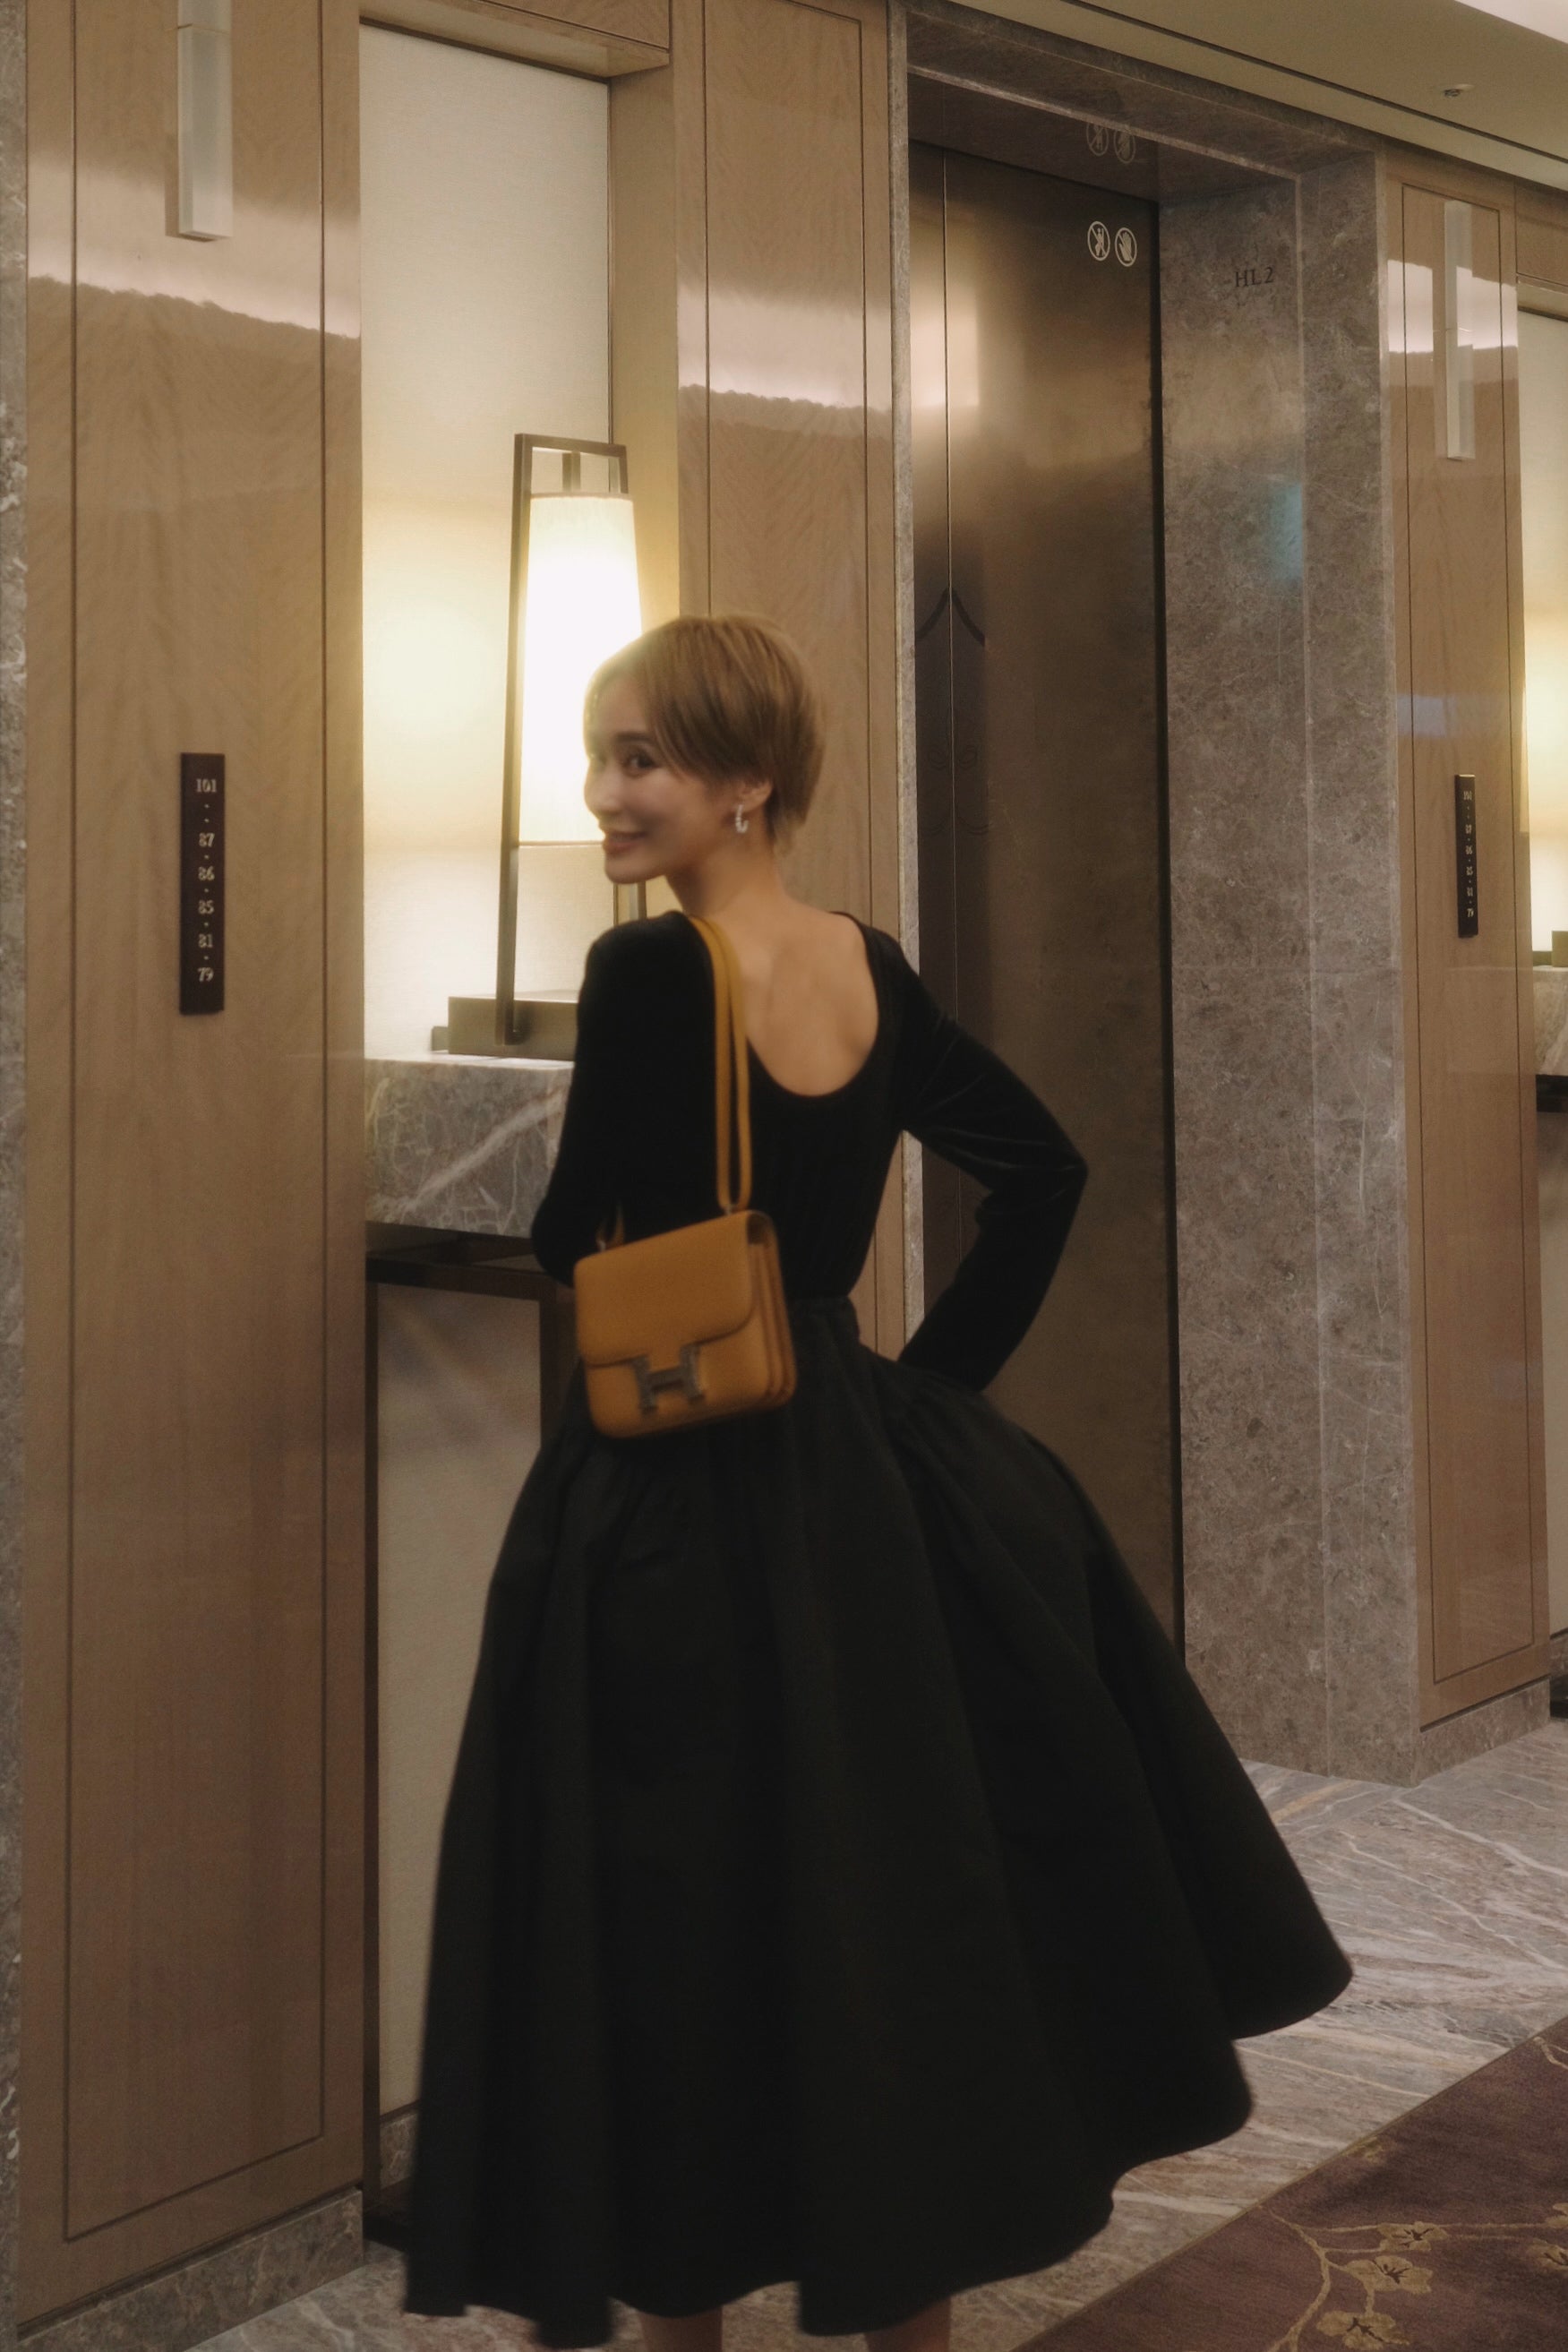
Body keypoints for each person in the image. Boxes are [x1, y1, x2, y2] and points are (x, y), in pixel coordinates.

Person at [402, 614, 1352, 2352]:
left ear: (747, 781)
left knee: (675, 1913)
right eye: (605, 753)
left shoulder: (647, 971)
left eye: (641, 759)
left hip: (669, 1485)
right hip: (850, 1458)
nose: (604, 791)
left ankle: (684, 2307)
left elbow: (570, 1231)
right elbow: (1041, 1173)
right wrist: (924, 1395)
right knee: (875, 1895)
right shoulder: (869, 961)